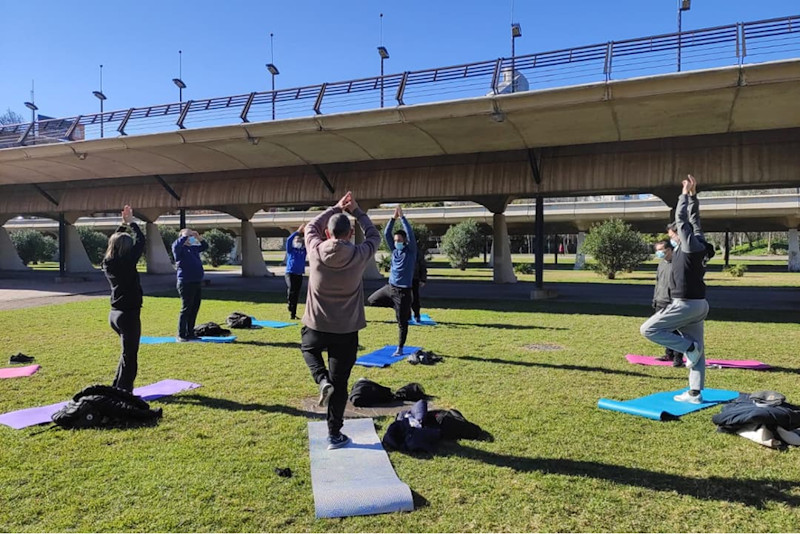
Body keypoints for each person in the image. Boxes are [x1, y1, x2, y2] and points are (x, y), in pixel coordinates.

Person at [301, 191, 380, 450]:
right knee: (341, 383)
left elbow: (312, 225)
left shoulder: (314, 250)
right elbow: (374, 236)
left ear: (328, 233)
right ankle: (334, 435)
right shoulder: (359, 254)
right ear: (349, 235)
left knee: (308, 348)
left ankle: (321, 379)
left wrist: (335, 208)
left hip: (316, 325)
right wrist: (356, 211)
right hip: (346, 330)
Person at [640, 174, 710, 404]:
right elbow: (695, 220)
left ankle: (688, 347)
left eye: (672, 235)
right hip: (700, 304)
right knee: (698, 352)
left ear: (680, 234)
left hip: (685, 304)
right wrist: (693, 196)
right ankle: (694, 394)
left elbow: (682, 219)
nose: (670, 239)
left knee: (648, 330)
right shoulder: (699, 242)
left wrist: (683, 193)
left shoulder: (688, 246)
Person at [101, 205, 145, 392]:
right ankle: (125, 391)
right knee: (130, 355)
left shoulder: (108, 263)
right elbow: (141, 240)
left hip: (114, 315)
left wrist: (122, 225)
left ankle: (118, 386)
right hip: (128, 315)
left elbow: (113, 243)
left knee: (126, 354)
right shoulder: (127, 262)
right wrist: (131, 223)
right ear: (128, 250)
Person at [367, 206, 417, 356]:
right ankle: (396, 306)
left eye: (399, 240)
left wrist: (402, 218)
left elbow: (410, 234)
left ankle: (400, 348)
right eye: (395, 241)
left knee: (402, 323)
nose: (397, 242)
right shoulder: (394, 251)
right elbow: (386, 233)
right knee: (371, 300)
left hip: (403, 292)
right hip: (390, 288)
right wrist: (392, 218)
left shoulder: (410, 251)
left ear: (405, 241)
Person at [172, 228, 209, 342]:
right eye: (188, 236)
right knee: (186, 308)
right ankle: (181, 334)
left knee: (194, 308)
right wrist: (184, 235)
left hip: (196, 281)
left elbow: (205, 246)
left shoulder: (193, 248)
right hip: (185, 282)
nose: (190, 238)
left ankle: (190, 332)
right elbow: (176, 246)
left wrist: (198, 237)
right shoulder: (179, 248)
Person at [651, 240, 682, 367]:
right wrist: (655, 299)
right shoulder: (661, 264)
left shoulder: (677, 264)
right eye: (657, 250)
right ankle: (668, 353)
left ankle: (678, 357)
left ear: (669, 249)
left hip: (671, 302)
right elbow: (658, 282)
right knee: (662, 329)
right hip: (660, 300)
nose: (659, 253)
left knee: (673, 330)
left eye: (661, 250)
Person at [285, 224, 307, 320]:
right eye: (296, 240)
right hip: (290, 273)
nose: (297, 242)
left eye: (299, 240)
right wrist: (298, 232)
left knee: (296, 293)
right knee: (292, 289)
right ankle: (289, 304)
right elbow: (289, 240)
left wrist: (306, 233)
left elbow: (310, 242)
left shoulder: (304, 251)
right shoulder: (291, 250)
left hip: (299, 274)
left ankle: (293, 314)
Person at [411, 246, 428, 323]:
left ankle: (416, 315)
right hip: (403, 279)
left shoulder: (417, 252)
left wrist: (423, 279)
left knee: (415, 298)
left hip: (414, 278)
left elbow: (422, 266)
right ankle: (405, 315)